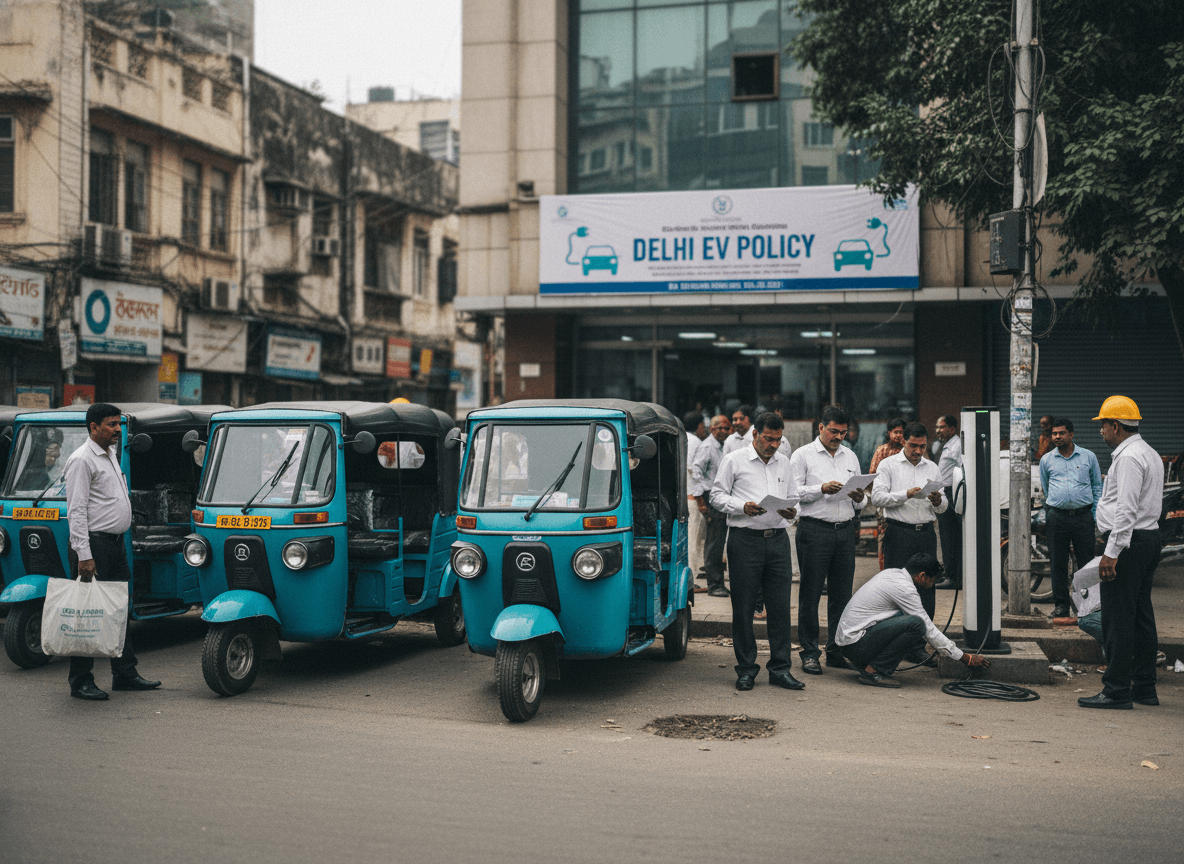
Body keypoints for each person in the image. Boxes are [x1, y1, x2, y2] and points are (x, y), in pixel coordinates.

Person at [63, 403, 160, 701]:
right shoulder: (82, 460)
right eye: (111, 424)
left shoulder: (110, 455)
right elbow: (76, 511)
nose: (118, 429)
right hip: (93, 546)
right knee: (86, 613)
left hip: (115, 545)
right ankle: (80, 680)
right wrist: (84, 554)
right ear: (93, 427)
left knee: (118, 609)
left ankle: (125, 673)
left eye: (119, 423)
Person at [1079, 396, 1163, 710]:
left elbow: (1126, 511)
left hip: (1128, 544)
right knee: (1141, 616)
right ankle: (1144, 688)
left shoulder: (1128, 458)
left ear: (1116, 426)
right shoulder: (1149, 453)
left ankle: (1116, 690)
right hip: (1147, 540)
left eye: (1103, 425)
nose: (1101, 431)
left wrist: (1111, 553)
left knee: (1118, 618)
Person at [710, 412, 801, 691]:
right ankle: (747, 669)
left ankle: (780, 668)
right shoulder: (734, 460)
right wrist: (743, 506)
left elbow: (795, 499)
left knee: (779, 607)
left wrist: (791, 512)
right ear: (754, 434)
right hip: (744, 540)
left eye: (777, 440)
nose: (772, 445)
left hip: (777, 540)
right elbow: (716, 496)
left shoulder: (784, 463)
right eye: (768, 439)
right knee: (744, 606)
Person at [788, 406, 867, 675]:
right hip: (814, 530)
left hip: (844, 530)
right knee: (810, 594)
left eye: (843, 432)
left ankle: (835, 650)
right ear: (820, 427)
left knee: (842, 596)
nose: (838, 437)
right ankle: (810, 653)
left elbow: (862, 497)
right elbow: (792, 492)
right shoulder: (802, 456)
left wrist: (860, 499)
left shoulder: (850, 456)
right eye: (833, 431)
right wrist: (820, 489)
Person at [836, 552, 990, 687]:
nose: (931, 586)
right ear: (922, 575)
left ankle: (868, 665)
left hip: (850, 643)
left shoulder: (892, 573)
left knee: (904, 618)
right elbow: (928, 629)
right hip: (856, 645)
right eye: (932, 580)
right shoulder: (905, 589)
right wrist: (963, 657)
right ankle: (874, 672)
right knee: (917, 624)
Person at [870, 421, 947, 623]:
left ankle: (922, 639)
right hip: (898, 533)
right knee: (896, 587)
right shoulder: (888, 465)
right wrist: (905, 494)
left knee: (927, 587)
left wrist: (939, 501)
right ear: (904, 441)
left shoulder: (932, 468)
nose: (918, 451)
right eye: (913, 445)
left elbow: (943, 505)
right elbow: (877, 498)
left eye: (922, 446)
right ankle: (894, 635)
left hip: (926, 534)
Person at [1040, 418, 1103, 619]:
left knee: (1086, 563)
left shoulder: (1088, 457)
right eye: (1054, 434)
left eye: (1061, 433)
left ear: (1071, 435)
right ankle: (1061, 606)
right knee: (1058, 562)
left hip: (1083, 517)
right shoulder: (1047, 460)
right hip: (1057, 518)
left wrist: (1094, 516)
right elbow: (1046, 487)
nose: (1057, 437)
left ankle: (1087, 606)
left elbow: (1096, 487)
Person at [691, 414, 731, 597]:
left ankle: (718, 583)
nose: (723, 431)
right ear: (711, 429)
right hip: (710, 497)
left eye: (725, 427)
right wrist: (700, 500)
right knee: (714, 542)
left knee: (719, 540)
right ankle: (714, 585)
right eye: (719, 428)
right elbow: (695, 470)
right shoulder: (707, 446)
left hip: (721, 497)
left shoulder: (725, 446)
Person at [870, 417, 906, 570]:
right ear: (889, 433)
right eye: (895, 432)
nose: (898, 435)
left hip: (905, 502)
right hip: (885, 503)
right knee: (884, 539)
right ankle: (884, 571)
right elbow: (873, 474)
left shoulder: (909, 451)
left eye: (901, 432)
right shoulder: (882, 450)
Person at [933, 415, 962, 589]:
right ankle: (949, 572)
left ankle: (953, 577)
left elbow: (962, 469)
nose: (938, 430)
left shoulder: (957, 445)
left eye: (942, 427)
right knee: (944, 535)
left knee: (950, 536)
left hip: (951, 493)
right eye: (937, 427)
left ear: (952, 429)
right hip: (941, 492)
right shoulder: (941, 445)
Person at [683, 411, 708, 591]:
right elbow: (694, 470)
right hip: (693, 497)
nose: (704, 429)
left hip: (682, 496)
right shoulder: (697, 442)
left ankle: (694, 571)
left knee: (690, 538)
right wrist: (700, 499)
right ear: (698, 425)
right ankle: (691, 580)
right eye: (703, 426)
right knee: (693, 538)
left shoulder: (680, 437)